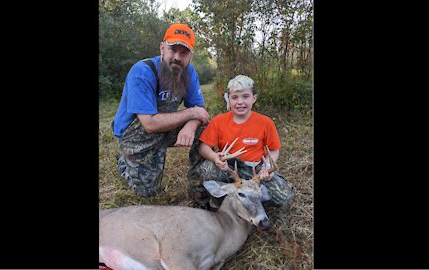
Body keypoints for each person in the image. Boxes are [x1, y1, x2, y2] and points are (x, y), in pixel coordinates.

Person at [112, 23, 209, 197]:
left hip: (164, 127)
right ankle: (124, 161)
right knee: (147, 192)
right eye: (173, 49)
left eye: (184, 52)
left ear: (191, 57)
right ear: (162, 48)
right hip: (136, 134)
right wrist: (191, 113)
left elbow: (200, 109)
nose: (177, 57)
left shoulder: (189, 72)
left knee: (206, 128)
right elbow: (149, 124)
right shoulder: (142, 71)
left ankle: (199, 183)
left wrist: (191, 126)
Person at [187, 75, 294, 209]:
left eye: (245, 96)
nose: (240, 102)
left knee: (284, 197)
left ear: (254, 98)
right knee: (208, 169)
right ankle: (220, 202)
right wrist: (215, 157)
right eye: (235, 97)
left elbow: (273, 149)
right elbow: (204, 147)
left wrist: (266, 167)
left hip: (255, 170)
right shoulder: (218, 121)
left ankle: (248, 198)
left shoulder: (265, 122)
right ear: (228, 98)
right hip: (229, 168)